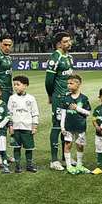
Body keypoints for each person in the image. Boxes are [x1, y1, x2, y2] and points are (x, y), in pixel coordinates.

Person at [44, 32, 74, 170]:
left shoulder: (69, 57)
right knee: (57, 126)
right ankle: (54, 160)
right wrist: (51, 95)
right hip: (59, 98)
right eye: (66, 41)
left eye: (69, 41)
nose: (69, 43)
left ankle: (65, 156)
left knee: (66, 127)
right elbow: (49, 81)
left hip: (68, 97)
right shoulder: (55, 58)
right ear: (58, 44)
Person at [61, 74, 92, 174]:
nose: (68, 85)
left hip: (80, 126)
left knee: (80, 145)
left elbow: (88, 113)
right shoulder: (66, 98)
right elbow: (63, 113)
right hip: (68, 126)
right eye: (68, 83)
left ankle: (79, 164)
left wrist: (77, 108)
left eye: (71, 83)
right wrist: (62, 127)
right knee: (68, 144)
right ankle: (69, 166)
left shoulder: (84, 98)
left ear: (78, 84)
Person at [8, 75, 39, 173]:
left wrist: (34, 126)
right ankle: (17, 166)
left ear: (25, 85)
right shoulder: (12, 98)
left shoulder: (31, 98)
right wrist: (10, 126)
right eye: (14, 85)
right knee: (16, 147)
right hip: (16, 128)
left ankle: (29, 165)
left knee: (29, 148)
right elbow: (9, 113)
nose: (15, 86)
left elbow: (35, 113)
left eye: (18, 84)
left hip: (27, 128)